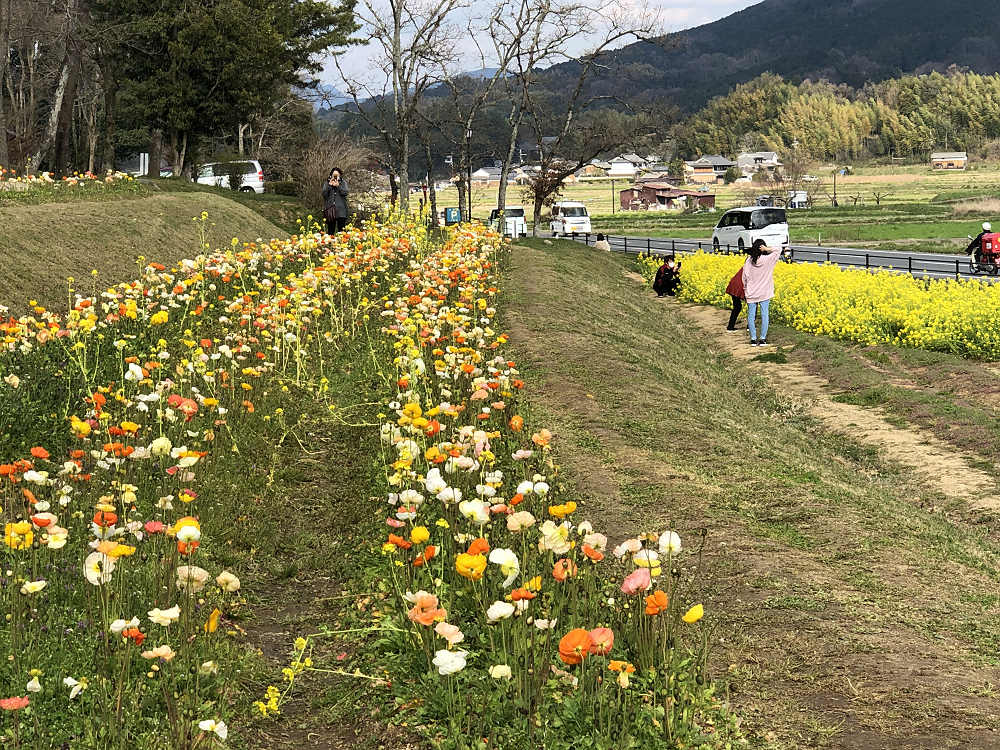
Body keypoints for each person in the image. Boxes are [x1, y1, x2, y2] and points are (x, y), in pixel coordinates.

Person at [742, 239, 782, 346]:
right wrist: (767, 249)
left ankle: (753, 339)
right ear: (762, 248)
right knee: (764, 315)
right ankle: (763, 339)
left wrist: (745, 290)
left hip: (751, 293)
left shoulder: (748, 261)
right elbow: (778, 250)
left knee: (751, 316)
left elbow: (744, 278)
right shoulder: (768, 260)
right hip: (765, 292)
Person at [322, 167, 349, 234]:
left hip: (341, 211)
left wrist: (338, 186)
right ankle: (330, 244)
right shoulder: (327, 183)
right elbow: (324, 195)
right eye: (334, 175)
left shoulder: (343, 182)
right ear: (331, 175)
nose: (335, 177)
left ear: (339, 175)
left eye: (337, 175)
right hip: (330, 211)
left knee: (342, 232)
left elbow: (345, 193)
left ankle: (342, 244)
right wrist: (329, 186)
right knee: (330, 231)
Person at [725, 266, 745, 332]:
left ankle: (730, 327)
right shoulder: (752, 268)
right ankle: (750, 327)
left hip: (733, 285)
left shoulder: (746, 266)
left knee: (737, 307)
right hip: (739, 287)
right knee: (753, 306)